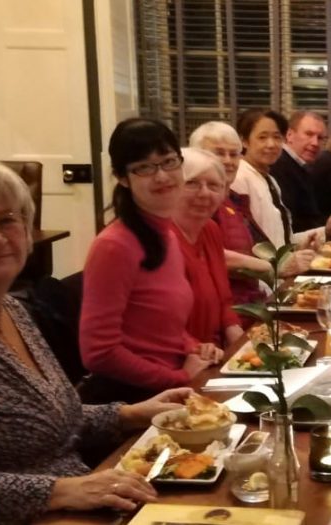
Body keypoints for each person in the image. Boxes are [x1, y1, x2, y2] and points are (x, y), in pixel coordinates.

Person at [0, 158, 195, 523]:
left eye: (8, 220)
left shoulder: (10, 308)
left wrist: (129, 414)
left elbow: (46, 419)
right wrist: (61, 491)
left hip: (81, 504)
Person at [79, 118, 223, 403]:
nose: (162, 176)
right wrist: (178, 378)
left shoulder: (164, 232)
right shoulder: (114, 245)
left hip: (169, 384)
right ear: (122, 177)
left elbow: (158, 326)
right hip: (134, 400)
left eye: (169, 162)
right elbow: (98, 353)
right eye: (144, 167)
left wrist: (194, 347)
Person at [190, 121, 314, 306]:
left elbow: (256, 248)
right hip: (228, 310)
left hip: (254, 302)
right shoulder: (196, 201)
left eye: (233, 154)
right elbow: (207, 254)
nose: (228, 161)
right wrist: (275, 267)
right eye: (218, 153)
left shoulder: (234, 199)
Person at [172, 148, 245, 347]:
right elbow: (159, 322)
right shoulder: (162, 237)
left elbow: (224, 300)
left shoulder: (210, 230)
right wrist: (196, 350)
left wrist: (240, 343)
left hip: (214, 352)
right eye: (192, 183)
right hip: (179, 358)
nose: (204, 193)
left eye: (214, 185)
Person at [270, 111, 327, 232]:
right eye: (309, 134)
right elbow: (293, 223)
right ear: (289, 135)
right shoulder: (279, 166)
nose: (315, 143)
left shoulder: (302, 166)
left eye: (320, 138)